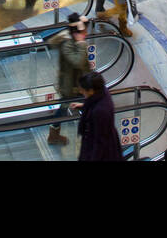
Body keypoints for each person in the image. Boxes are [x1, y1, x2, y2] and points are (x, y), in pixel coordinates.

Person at [46, 12, 91, 146]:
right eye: (83, 31)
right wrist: (82, 44)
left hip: (77, 83)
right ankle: (54, 135)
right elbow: (77, 62)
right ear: (75, 32)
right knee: (71, 107)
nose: (86, 34)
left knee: (66, 108)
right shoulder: (68, 44)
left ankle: (54, 134)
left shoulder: (73, 41)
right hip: (70, 86)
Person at [76, 70, 122, 161]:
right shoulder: (102, 91)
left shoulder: (100, 111)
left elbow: (100, 142)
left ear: (91, 91)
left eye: (83, 89)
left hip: (102, 152)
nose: (80, 91)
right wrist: (83, 106)